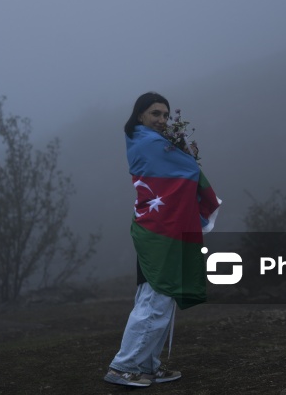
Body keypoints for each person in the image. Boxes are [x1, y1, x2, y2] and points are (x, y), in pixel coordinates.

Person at [104, 92, 221, 387]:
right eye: (155, 113)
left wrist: (181, 151)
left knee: (159, 298)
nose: (162, 120)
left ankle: (147, 366)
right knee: (154, 301)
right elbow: (188, 170)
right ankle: (123, 366)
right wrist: (185, 155)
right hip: (159, 230)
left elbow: (182, 170)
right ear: (140, 115)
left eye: (166, 115)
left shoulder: (154, 143)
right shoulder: (147, 142)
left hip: (161, 228)